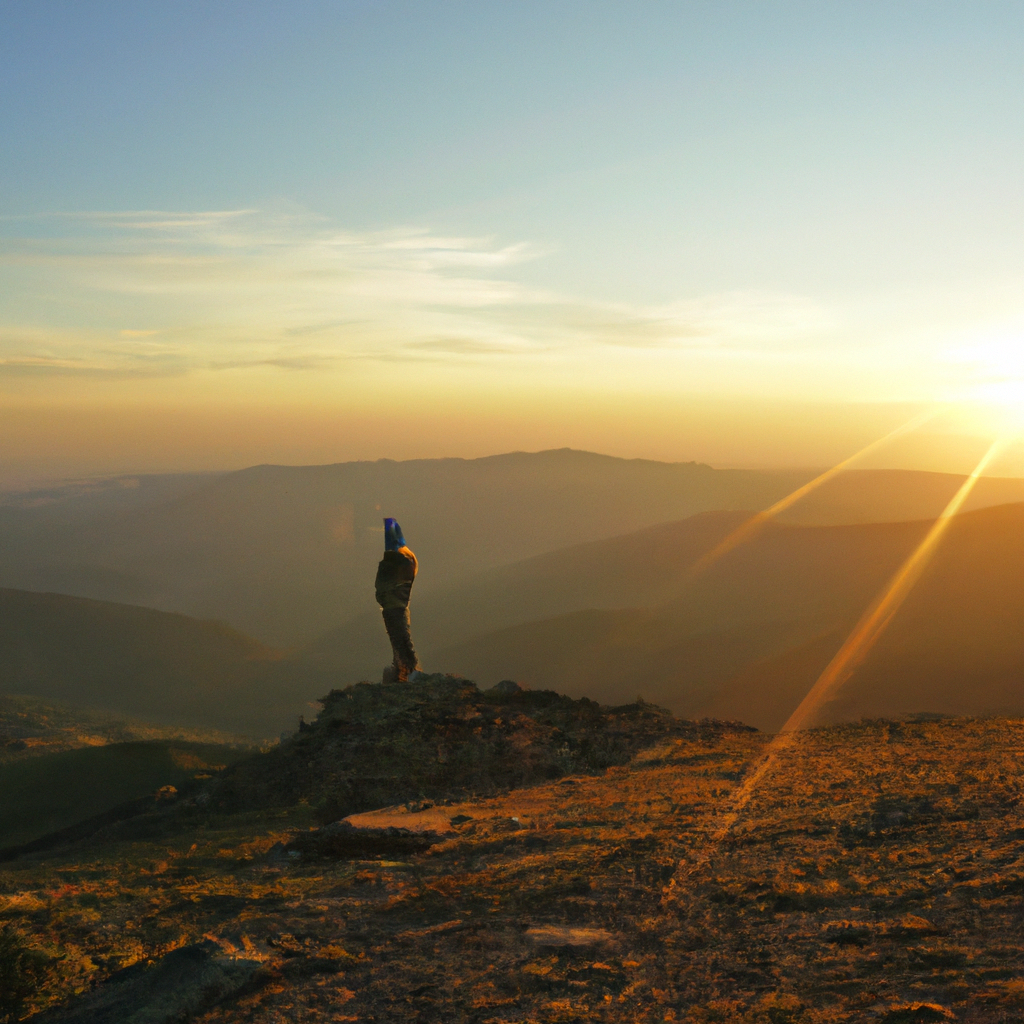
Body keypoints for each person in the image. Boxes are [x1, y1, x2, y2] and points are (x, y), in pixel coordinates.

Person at [374, 517, 421, 682]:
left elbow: (383, 585)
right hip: (397, 606)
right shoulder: (408, 558)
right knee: (400, 639)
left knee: (400, 639)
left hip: (393, 607)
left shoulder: (398, 559)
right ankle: (404, 671)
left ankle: (409, 672)